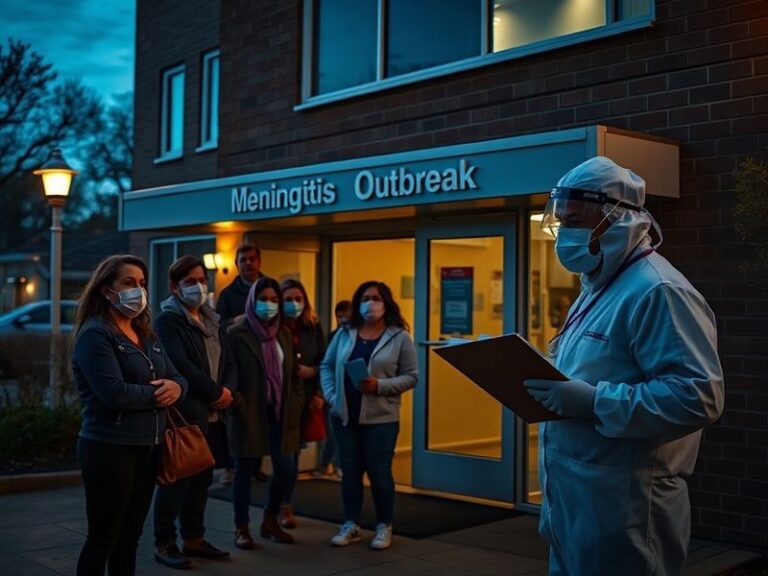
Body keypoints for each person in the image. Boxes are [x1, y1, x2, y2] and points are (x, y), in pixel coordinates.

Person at [523, 156, 725, 576]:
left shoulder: (659, 290)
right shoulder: (598, 285)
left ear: (615, 218)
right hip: (578, 498)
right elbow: (603, 363)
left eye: (575, 220)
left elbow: (698, 396)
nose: (565, 234)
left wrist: (596, 402)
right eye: (561, 222)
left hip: (627, 505)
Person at [72, 255, 187, 576]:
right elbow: (114, 394)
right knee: (103, 539)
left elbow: (178, 377)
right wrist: (158, 394)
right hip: (109, 449)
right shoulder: (95, 335)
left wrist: (178, 388)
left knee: (130, 539)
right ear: (106, 290)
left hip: (148, 448)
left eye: (141, 284)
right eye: (129, 283)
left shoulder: (147, 333)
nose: (138, 290)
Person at [320, 281, 418, 551]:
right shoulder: (345, 333)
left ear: (385, 302)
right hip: (345, 417)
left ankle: (384, 524)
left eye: (375, 298)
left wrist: (380, 386)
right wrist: (331, 397)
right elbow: (327, 366)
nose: (370, 303)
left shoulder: (399, 337)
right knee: (350, 472)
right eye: (365, 298)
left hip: (381, 420)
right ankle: (351, 524)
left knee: (379, 472)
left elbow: (412, 377)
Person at [152, 256, 233, 569]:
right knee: (177, 481)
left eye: (202, 279)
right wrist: (216, 393)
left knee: (202, 480)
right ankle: (165, 543)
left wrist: (228, 392)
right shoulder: (168, 321)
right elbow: (180, 364)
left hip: (213, 414)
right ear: (174, 287)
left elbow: (227, 362)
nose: (199, 286)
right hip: (188, 413)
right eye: (190, 282)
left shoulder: (212, 319)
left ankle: (194, 539)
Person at [222, 277, 305, 548]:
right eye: (263, 298)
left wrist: (297, 399)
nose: (268, 304)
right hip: (249, 412)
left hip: (281, 412)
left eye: (273, 300)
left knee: (286, 469)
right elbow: (228, 373)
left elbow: (293, 373)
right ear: (251, 300)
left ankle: (270, 518)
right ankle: (241, 527)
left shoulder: (282, 333)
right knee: (244, 471)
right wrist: (238, 401)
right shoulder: (237, 333)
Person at [214, 242, 267, 484]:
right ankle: (232, 465)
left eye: (252, 259)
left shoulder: (268, 290)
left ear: (259, 261)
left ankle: (256, 465)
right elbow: (217, 326)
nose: (248, 263)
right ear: (236, 264)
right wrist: (236, 321)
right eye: (243, 259)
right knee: (238, 414)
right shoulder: (228, 294)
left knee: (261, 415)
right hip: (238, 359)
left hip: (265, 361)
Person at [278, 278, 327, 529]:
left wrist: (315, 379)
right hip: (277, 399)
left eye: (298, 299)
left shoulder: (312, 326)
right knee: (282, 457)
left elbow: (324, 360)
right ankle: (274, 506)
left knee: (293, 455)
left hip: (304, 398)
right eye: (288, 299)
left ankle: (285, 505)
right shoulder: (272, 327)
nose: (294, 304)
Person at [314, 299, 351, 479]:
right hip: (333, 391)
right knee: (332, 431)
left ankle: (333, 464)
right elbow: (326, 363)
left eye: (346, 315)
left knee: (338, 432)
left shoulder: (357, 336)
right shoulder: (333, 337)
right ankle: (328, 463)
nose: (342, 319)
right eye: (339, 316)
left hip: (348, 390)